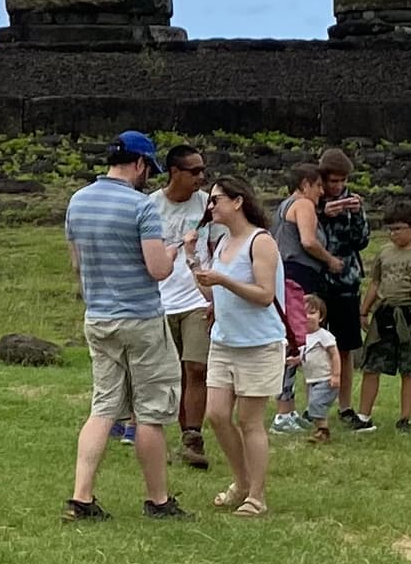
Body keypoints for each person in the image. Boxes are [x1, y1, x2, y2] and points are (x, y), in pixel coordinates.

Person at [62, 130, 186, 521]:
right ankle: (159, 500)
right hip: (141, 319)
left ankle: (82, 497)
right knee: (150, 412)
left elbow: (76, 264)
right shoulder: (142, 207)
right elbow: (157, 269)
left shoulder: (78, 201)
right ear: (139, 164)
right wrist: (172, 251)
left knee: (103, 408)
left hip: (98, 317)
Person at [192, 174, 285, 514]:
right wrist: (195, 262)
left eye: (216, 199)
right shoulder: (223, 243)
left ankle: (256, 496)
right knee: (216, 414)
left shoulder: (260, 242)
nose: (211, 206)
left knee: (250, 420)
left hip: (258, 344)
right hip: (224, 341)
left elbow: (264, 295)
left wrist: (223, 281)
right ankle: (241, 481)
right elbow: (211, 291)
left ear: (238, 201)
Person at [148, 143, 216, 472]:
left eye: (203, 170)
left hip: (196, 298)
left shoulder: (208, 206)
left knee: (197, 368)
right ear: (175, 172)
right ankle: (178, 431)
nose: (201, 177)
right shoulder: (150, 206)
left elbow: (218, 246)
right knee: (174, 374)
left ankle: (193, 436)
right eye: (194, 171)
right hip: (161, 300)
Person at [351, 203, 411, 430]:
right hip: (385, 313)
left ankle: (405, 418)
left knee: (410, 369)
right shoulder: (384, 253)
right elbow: (376, 283)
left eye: (398, 229)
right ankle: (364, 416)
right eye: (390, 229)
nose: (393, 234)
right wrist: (364, 310)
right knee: (372, 366)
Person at [270, 161, 344, 438]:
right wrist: (331, 261)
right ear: (304, 185)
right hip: (299, 276)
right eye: (318, 187)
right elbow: (308, 241)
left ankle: (286, 409)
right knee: (294, 342)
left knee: (288, 340)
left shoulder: (282, 207)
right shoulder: (303, 205)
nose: (322, 192)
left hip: (284, 274)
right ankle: (283, 412)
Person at [314, 150, 375, 426]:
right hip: (317, 281)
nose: (337, 187)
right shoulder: (310, 200)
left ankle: (345, 405)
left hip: (347, 282)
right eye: (333, 181)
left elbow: (362, 241)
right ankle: (314, 405)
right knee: (311, 345)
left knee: (345, 347)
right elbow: (304, 235)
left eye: (342, 181)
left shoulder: (352, 201)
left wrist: (357, 214)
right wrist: (323, 213)